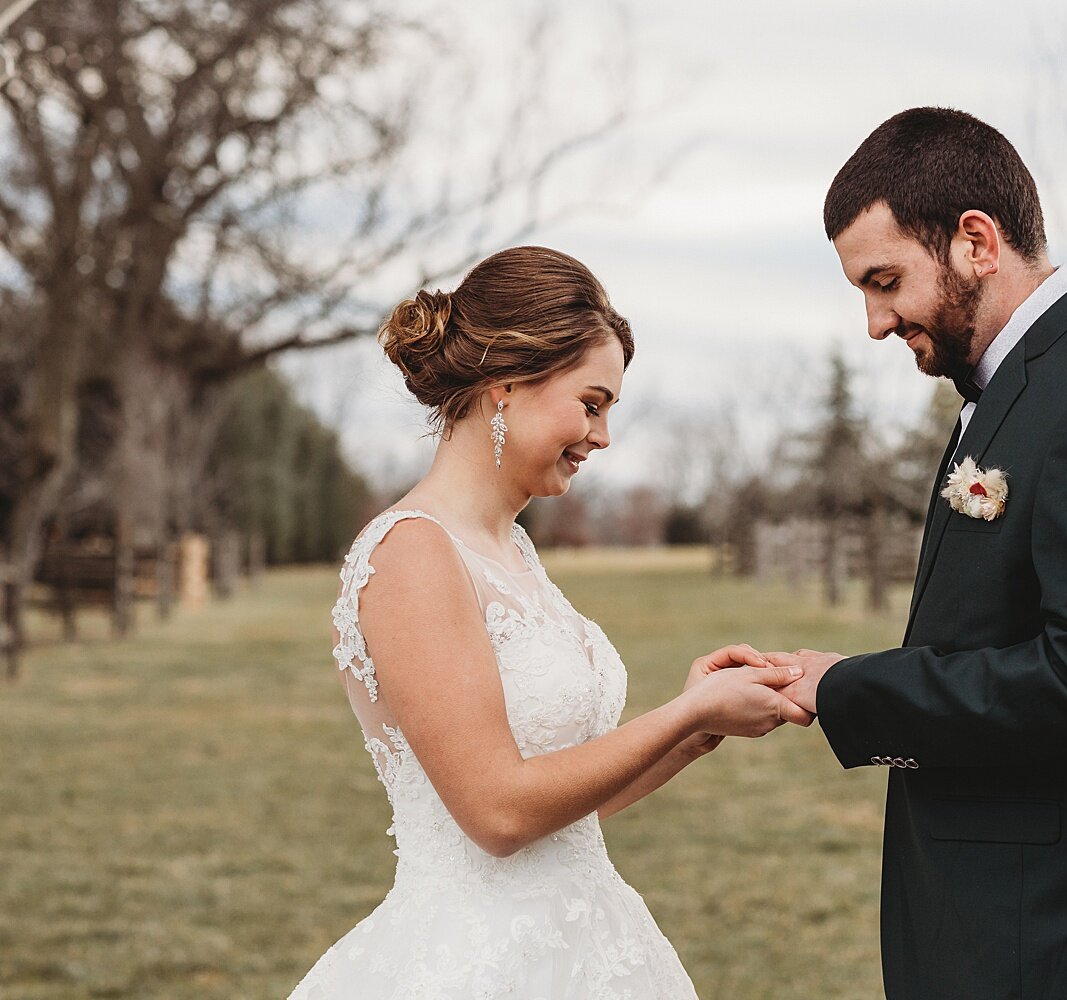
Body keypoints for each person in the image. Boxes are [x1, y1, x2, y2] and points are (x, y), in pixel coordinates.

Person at [765, 108, 1067, 999]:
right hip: (1043, 923)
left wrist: (853, 688)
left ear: (977, 243)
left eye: (886, 281)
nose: (875, 323)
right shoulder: (1046, 378)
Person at [287, 245, 810, 999]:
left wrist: (693, 728)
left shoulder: (513, 549)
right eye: (591, 403)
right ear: (506, 385)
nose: (602, 437)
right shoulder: (413, 554)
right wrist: (685, 713)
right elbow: (498, 813)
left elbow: (565, 814)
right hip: (480, 962)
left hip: (589, 944)